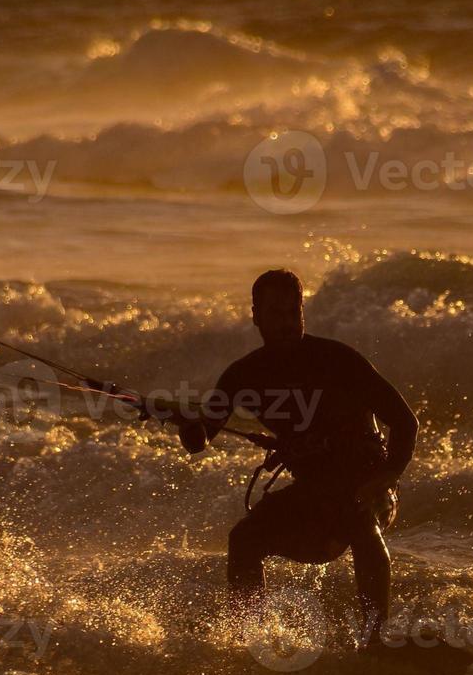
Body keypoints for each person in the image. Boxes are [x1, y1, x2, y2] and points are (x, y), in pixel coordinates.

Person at [176, 269, 417, 650]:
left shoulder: (338, 361)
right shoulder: (245, 375)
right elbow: (201, 438)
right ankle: (246, 639)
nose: (287, 324)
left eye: (294, 313)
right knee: (244, 538)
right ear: (255, 315)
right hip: (313, 494)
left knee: (354, 509)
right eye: (275, 314)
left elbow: (405, 422)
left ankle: (376, 638)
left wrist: (389, 475)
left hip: (369, 485)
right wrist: (185, 423)